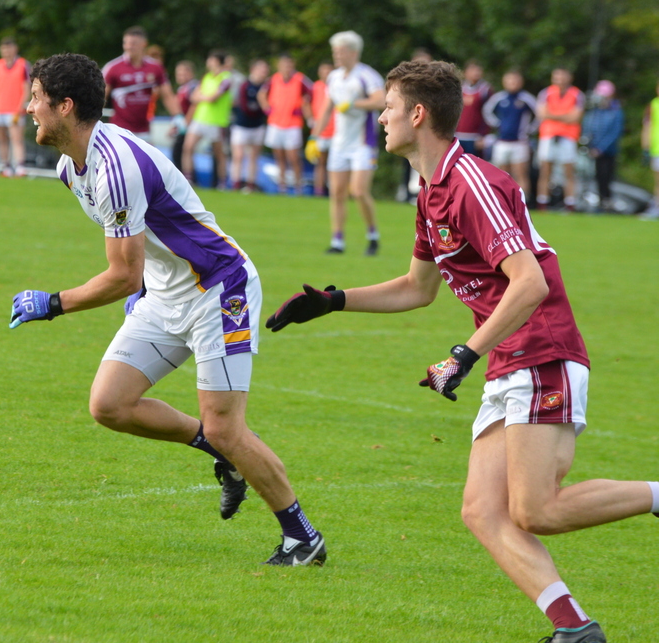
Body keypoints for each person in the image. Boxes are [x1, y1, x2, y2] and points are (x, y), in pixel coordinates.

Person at [266, 59, 659, 643]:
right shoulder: (431, 191)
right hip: (507, 355)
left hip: (540, 348)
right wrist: (334, 299)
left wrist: (463, 355)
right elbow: (416, 288)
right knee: (481, 511)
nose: (381, 117)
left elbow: (531, 283)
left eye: (389, 107)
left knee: (537, 510)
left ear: (418, 114)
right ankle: (574, 629)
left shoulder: (471, 181)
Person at [12, 52, 327, 567]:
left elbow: (121, 273)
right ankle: (216, 451)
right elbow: (142, 249)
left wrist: (52, 303)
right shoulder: (71, 168)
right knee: (109, 404)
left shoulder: (113, 168)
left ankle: (302, 537)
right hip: (165, 292)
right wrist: (142, 289)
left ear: (64, 107)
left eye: (36, 99)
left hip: (218, 289)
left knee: (228, 425)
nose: (29, 109)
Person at [311, 31, 383, 255]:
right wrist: (314, 137)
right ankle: (337, 241)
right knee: (337, 193)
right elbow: (326, 109)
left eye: (340, 51)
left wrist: (354, 104)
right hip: (339, 143)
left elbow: (380, 100)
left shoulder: (367, 75)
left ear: (353, 52)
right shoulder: (333, 77)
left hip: (364, 142)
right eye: (335, 51)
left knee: (359, 191)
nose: (337, 56)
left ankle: (372, 235)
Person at [101, 26, 183, 142]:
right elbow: (100, 96)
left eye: (133, 43)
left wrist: (178, 117)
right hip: (119, 130)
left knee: (149, 160)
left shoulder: (155, 67)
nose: (129, 47)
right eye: (126, 43)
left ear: (144, 44)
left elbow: (167, 95)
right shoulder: (113, 67)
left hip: (144, 130)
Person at [262, 54, 314, 195]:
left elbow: (312, 92)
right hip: (275, 123)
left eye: (289, 64)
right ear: (279, 66)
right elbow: (262, 94)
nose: (287, 68)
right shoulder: (274, 79)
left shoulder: (300, 79)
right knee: (279, 156)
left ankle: (298, 187)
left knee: (293, 157)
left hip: (292, 124)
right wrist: (267, 109)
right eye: (284, 64)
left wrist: (304, 109)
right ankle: (282, 186)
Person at [535, 68, 584, 212]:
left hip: (568, 137)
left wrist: (553, 115)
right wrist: (564, 116)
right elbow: (542, 114)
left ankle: (570, 204)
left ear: (570, 77)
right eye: (557, 77)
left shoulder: (576, 94)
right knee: (545, 170)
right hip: (548, 136)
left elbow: (575, 117)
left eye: (563, 77)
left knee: (568, 172)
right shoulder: (546, 93)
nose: (560, 80)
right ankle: (542, 202)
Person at [184, 51, 234, 189]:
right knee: (188, 148)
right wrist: (205, 97)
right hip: (200, 118)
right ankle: (189, 179)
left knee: (219, 154)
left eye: (210, 59)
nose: (208, 62)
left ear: (217, 61)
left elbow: (213, 98)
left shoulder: (225, 78)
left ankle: (222, 183)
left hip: (216, 122)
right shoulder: (207, 77)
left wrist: (203, 97)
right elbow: (193, 97)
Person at [482, 68, 537, 195]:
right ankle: (502, 201)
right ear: (504, 81)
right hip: (502, 141)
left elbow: (538, 114)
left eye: (515, 80)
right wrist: (497, 124)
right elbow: (487, 111)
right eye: (509, 80)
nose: (513, 82)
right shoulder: (499, 98)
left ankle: (523, 203)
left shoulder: (526, 98)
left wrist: (530, 129)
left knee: (520, 173)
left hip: (520, 142)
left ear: (521, 82)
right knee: (501, 174)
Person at [0, 38, 31, 177]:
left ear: (15, 49)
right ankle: (5, 166)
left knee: (16, 139)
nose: (6, 51)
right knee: (1, 139)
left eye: (9, 48)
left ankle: (20, 167)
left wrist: (20, 107)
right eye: (4, 48)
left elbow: (26, 88)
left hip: (14, 109)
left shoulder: (23, 64)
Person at [582, 80, 623, 213]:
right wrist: (589, 143)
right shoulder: (595, 111)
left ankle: (606, 202)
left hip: (608, 152)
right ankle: (597, 201)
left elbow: (615, 132)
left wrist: (600, 148)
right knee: (595, 176)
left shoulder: (616, 111)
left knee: (606, 176)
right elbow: (589, 127)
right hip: (593, 150)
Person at [229, 59, 268, 193]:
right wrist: (261, 108)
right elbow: (245, 107)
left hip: (257, 126)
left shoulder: (266, 87)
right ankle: (236, 183)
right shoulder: (245, 85)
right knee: (238, 156)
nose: (263, 73)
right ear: (253, 69)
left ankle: (250, 184)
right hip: (241, 126)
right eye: (260, 69)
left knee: (253, 157)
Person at [306, 61, 334, 197]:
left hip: (336, 131)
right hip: (321, 131)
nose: (326, 73)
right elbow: (305, 102)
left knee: (335, 164)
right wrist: (310, 118)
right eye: (324, 70)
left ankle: (335, 191)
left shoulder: (337, 86)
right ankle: (319, 190)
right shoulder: (315, 87)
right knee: (321, 163)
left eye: (329, 70)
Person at [169, 59, 198, 175]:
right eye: (178, 74)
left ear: (190, 74)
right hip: (182, 124)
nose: (180, 76)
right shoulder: (181, 88)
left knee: (181, 151)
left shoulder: (192, 87)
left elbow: (194, 105)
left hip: (189, 125)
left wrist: (186, 123)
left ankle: (187, 177)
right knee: (178, 151)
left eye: (183, 73)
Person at [458, 59, 492, 156]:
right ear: (465, 72)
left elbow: (488, 114)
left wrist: (483, 135)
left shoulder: (485, 90)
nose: (476, 73)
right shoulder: (458, 89)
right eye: (472, 70)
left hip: (476, 138)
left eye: (478, 70)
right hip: (458, 136)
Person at [642, 80, 659, 219]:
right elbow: (647, 127)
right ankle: (656, 208)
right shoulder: (652, 105)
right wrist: (645, 147)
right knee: (657, 182)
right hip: (656, 149)